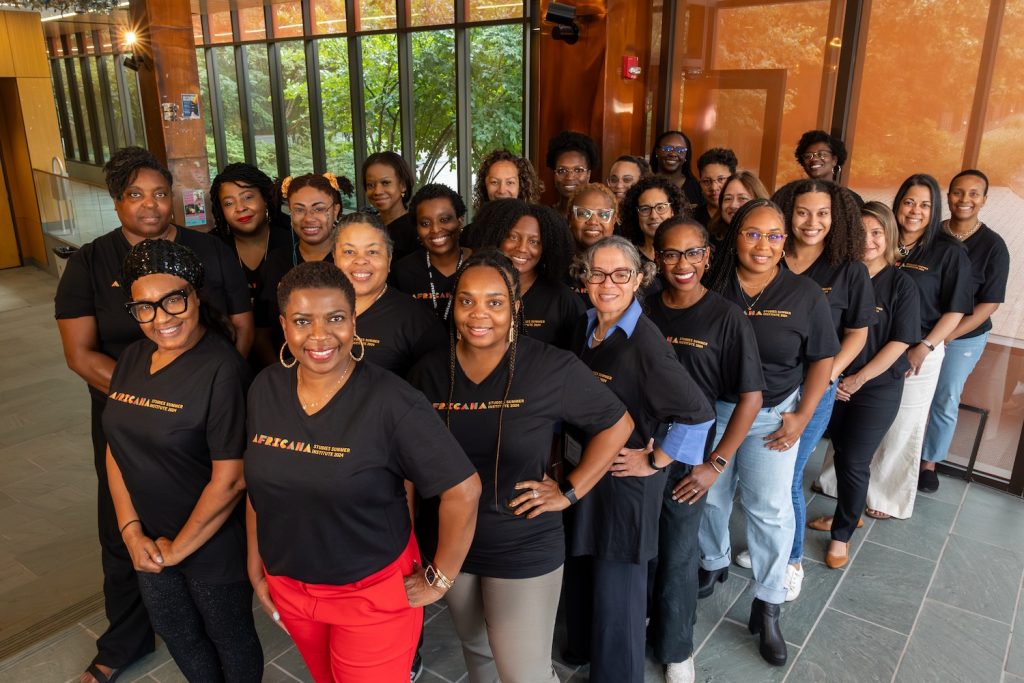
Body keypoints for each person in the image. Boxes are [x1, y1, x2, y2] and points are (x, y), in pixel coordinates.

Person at [54, 147, 252, 683]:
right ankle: (124, 641)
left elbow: (240, 326)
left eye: (160, 193)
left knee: (222, 614)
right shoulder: (95, 270)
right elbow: (80, 356)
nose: (150, 205)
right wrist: (141, 395)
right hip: (131, 426)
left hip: (197, 431)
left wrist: (193, 396)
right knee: (127, 547)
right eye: (136, 195)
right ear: (116, 201)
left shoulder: (209, 258)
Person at [245, 261, 481, 682]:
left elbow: (463, 490)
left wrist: (439, 581)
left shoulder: (393, 401)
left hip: (372, 594)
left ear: (354, 321)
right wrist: (256, 565)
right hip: (291, 587)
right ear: (284, 326)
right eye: (303, 321)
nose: (319, 336)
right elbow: (258, 486)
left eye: (335, 318)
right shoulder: (265, 388)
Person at [408, 249, 634, 683]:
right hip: (451, 542)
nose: (479, 313)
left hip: (522, 541)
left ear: (514, 307)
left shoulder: (551, 367)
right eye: (467, 300)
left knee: (524, 673)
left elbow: (617, 424)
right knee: (478, 655)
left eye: (495, 302)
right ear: (452, 305)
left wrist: (569, 490)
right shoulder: (428, 373)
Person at [104, 239, 262, 681]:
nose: (162, 319)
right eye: (145, 307)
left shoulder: (222, 369)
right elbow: (116, 445)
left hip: (210, 545)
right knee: (178, 634)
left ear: (196, 295)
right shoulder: (133, 357)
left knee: (229, 638)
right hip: (149, 539)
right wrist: (131, 532)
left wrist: (177, 550)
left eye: (173, 300)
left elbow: (231, 480)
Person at [563, 236, 715, 683]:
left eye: (620, 274)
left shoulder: (645, 343)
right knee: (588, 569)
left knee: (619, 590)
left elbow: (698, 412)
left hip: (625, 481)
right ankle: (585, 651)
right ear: (585, 278)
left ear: (638, 280)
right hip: (589, 471)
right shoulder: (587, 325)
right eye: (597, 273)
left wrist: (658, 460)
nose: (607, 283)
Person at [701, 199, 838, 667]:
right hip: (713, 411)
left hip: (772, 417)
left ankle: (768, 600)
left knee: (769, 509)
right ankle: (713, 563)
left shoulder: (804, 294)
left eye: (774, 235)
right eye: (752, 233)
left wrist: (803, 415)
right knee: (711, 497)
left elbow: (822, 359)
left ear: (786, 241)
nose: (763, 245)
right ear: (734, 235)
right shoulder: (711, 285)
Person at [644, 217, 764, 682]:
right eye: (671, 253)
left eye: (693, 253)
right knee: (638, 548)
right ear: (655, 257)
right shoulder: (642, 308)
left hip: (691, 458)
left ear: (708, 257)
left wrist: (717, 463)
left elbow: (751, 396)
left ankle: (676, 648)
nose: (682, 264)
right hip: (638, 449)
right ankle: (635, 624)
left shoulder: (726, 316)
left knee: (677, 553)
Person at [818, 174, 973, 519]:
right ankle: (846, 503)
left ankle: (881, 502)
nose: (915, 210)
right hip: (852, 360)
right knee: (849, 445)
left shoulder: (946, 252)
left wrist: (925, 347)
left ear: (935, 210)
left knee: (897, 434)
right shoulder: (857, 257)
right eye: (908, 201)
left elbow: (956, 309)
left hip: (911, 354)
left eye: (925, 204)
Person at [763, 178, 874, 601]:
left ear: (837, 218)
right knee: (759, 477)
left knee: (789, 475)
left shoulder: (849, 270)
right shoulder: (768, 254)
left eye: (823, 213)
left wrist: (828, 376)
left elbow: (857, 334)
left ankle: (790, 562)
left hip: (812, 390)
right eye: (803, 212)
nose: (812, 222)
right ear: (787, 214)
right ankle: (768, 546)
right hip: (761, 387)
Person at [806, 203, 920, 568]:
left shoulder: (902, 284)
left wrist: (857, 379)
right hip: (832, 382)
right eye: (861, 233)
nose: (868, 241)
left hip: (875, 388)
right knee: (840, 450)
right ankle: (849, 512)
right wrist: (835, 377)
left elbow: (900, 342)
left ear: (888, 236)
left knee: (855, 460)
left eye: (877, 233)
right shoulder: (841, 275)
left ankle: (842, 536)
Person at [919, 170, 1008, 492]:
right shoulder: (931, 236)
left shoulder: (993, 246)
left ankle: (929, 463)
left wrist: (944, 337)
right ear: (948, 195)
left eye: (973, 194)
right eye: (958, 192)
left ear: (984, 200)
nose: (964, 200)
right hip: (920, 332)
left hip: (963, 337)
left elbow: (990, 304)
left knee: (945, 397)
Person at [332, 212, 446, 375]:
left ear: (389, 259)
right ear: (335, 258)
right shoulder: (315, 309)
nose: (361, 260)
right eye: (349, 252)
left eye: (372, 252)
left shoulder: (417, 320)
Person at [468, 199, 583, 349]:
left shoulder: (563, 300)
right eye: (513, 237)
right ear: (497, 237)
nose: (522, 248)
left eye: (534, 242)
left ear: (546, 247)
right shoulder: (473, 289)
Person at [211, 162, 292, 368]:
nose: (240, 208)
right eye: (229, 203)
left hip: (288, 357)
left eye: (248, 197)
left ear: (265, 198)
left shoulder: (291, 242)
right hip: (229, 359)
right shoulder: (211, 248)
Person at [257, 173, 347, 355]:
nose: (308, 218)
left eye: (319, 209)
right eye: (299, 210)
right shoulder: (276, 261)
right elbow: (261, 329)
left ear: (336, 210)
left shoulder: (351, 260)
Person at [390, 183, 470, 322]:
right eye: (425, 223)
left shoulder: (480, 265)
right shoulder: (401, 272)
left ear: (460, 221)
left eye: (444, 220)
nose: (435, 229)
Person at [620, 175, 689, 263]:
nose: (653, 216)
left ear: (673, 210)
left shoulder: (689, 252)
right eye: (645, 209)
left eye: (660, 207)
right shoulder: (626, 257)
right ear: (636, 215)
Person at [364, 151, 418, 260]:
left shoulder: (416, 229)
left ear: (402, 185)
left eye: (385, 183)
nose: (377, 191)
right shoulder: (366, 226)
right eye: (371, 185)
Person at [708, 170, 770, 260]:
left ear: (759, 202)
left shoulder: (771, 242)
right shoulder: (709, 242)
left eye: (742, 198)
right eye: (728, 198)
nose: (733, 205)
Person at [793, 130, 863, 204]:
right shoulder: (791, 195)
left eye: (822, 154)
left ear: (834, 160)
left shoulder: (851, 199)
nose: (814, 159)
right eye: (808, 156)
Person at [546, 131, 600, 214]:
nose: (570, 177)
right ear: (554, 175)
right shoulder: (543, 217)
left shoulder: (599, 218)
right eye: (562, 170)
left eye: (578, 170)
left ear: (588, 174)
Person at [649, 130, 703, 210]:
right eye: (667, 148)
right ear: (657, 151)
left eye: (680, 150)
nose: (673, 154)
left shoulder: (696, 188)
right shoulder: (645, 182)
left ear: (686, 155)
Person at [471, 149, 544, 208]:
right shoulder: (475, 226)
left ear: (521, 186)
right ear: (485, 185)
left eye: (510, 182)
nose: (502, 191)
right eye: (494, 182)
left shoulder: (535, 225)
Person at [694, 148, 738, 228]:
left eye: (721, 179)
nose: (714, 188)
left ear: (733, 179)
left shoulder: (743, 216)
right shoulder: (691, 219)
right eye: (707, 181)